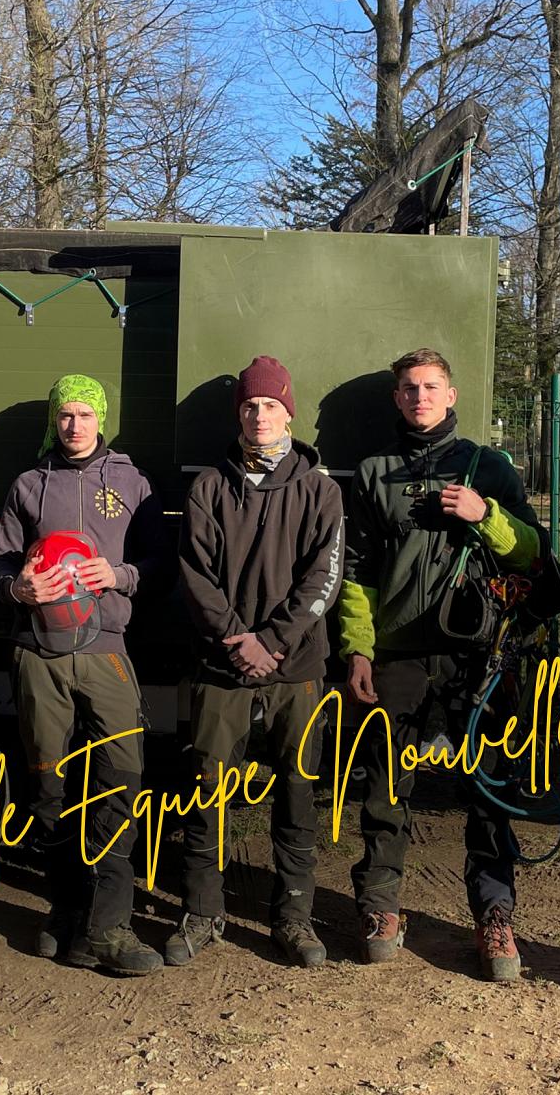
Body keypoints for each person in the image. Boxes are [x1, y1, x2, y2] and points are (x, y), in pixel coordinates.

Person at [336, 347, 542, 981]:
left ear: (451, 396)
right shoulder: (372, 473)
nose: (419, 397)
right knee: (383, 783)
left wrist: (489, 517)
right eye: (407, 388)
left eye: (430, 387)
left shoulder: (489, 467)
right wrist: (359, 648)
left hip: (475, 656)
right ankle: (380, 907)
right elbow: (359, 574)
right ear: (397, 399)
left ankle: (495, 917)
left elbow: (534, 555)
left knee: (487, 789)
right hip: (397, 654)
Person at [0, 374, 170, 976]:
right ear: (53, 420)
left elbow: (159, 563)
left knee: (120, 782)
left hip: (106, 652)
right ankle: (64, 914)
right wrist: (17, 587)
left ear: (101, 419)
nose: (74, 426)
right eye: (64, 415)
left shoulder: (130, 482)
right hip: (38, 653)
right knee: (50, 790)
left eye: (84, 415)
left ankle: (109, 927)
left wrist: (116, 576)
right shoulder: (26, 486)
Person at [168, 356, 344, 970]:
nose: (259, 414)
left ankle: (293, 917)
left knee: (297, 791)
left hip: (296, 668)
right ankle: (202, 909)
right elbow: (195, 575)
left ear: (287, 412)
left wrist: (272, 641)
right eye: (249, 405)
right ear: (238, 415)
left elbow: (325, 577)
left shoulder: (321, 489)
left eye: (270, 404)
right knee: (206, 789)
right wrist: (236, 639)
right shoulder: (209, 487)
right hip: (222, 666)